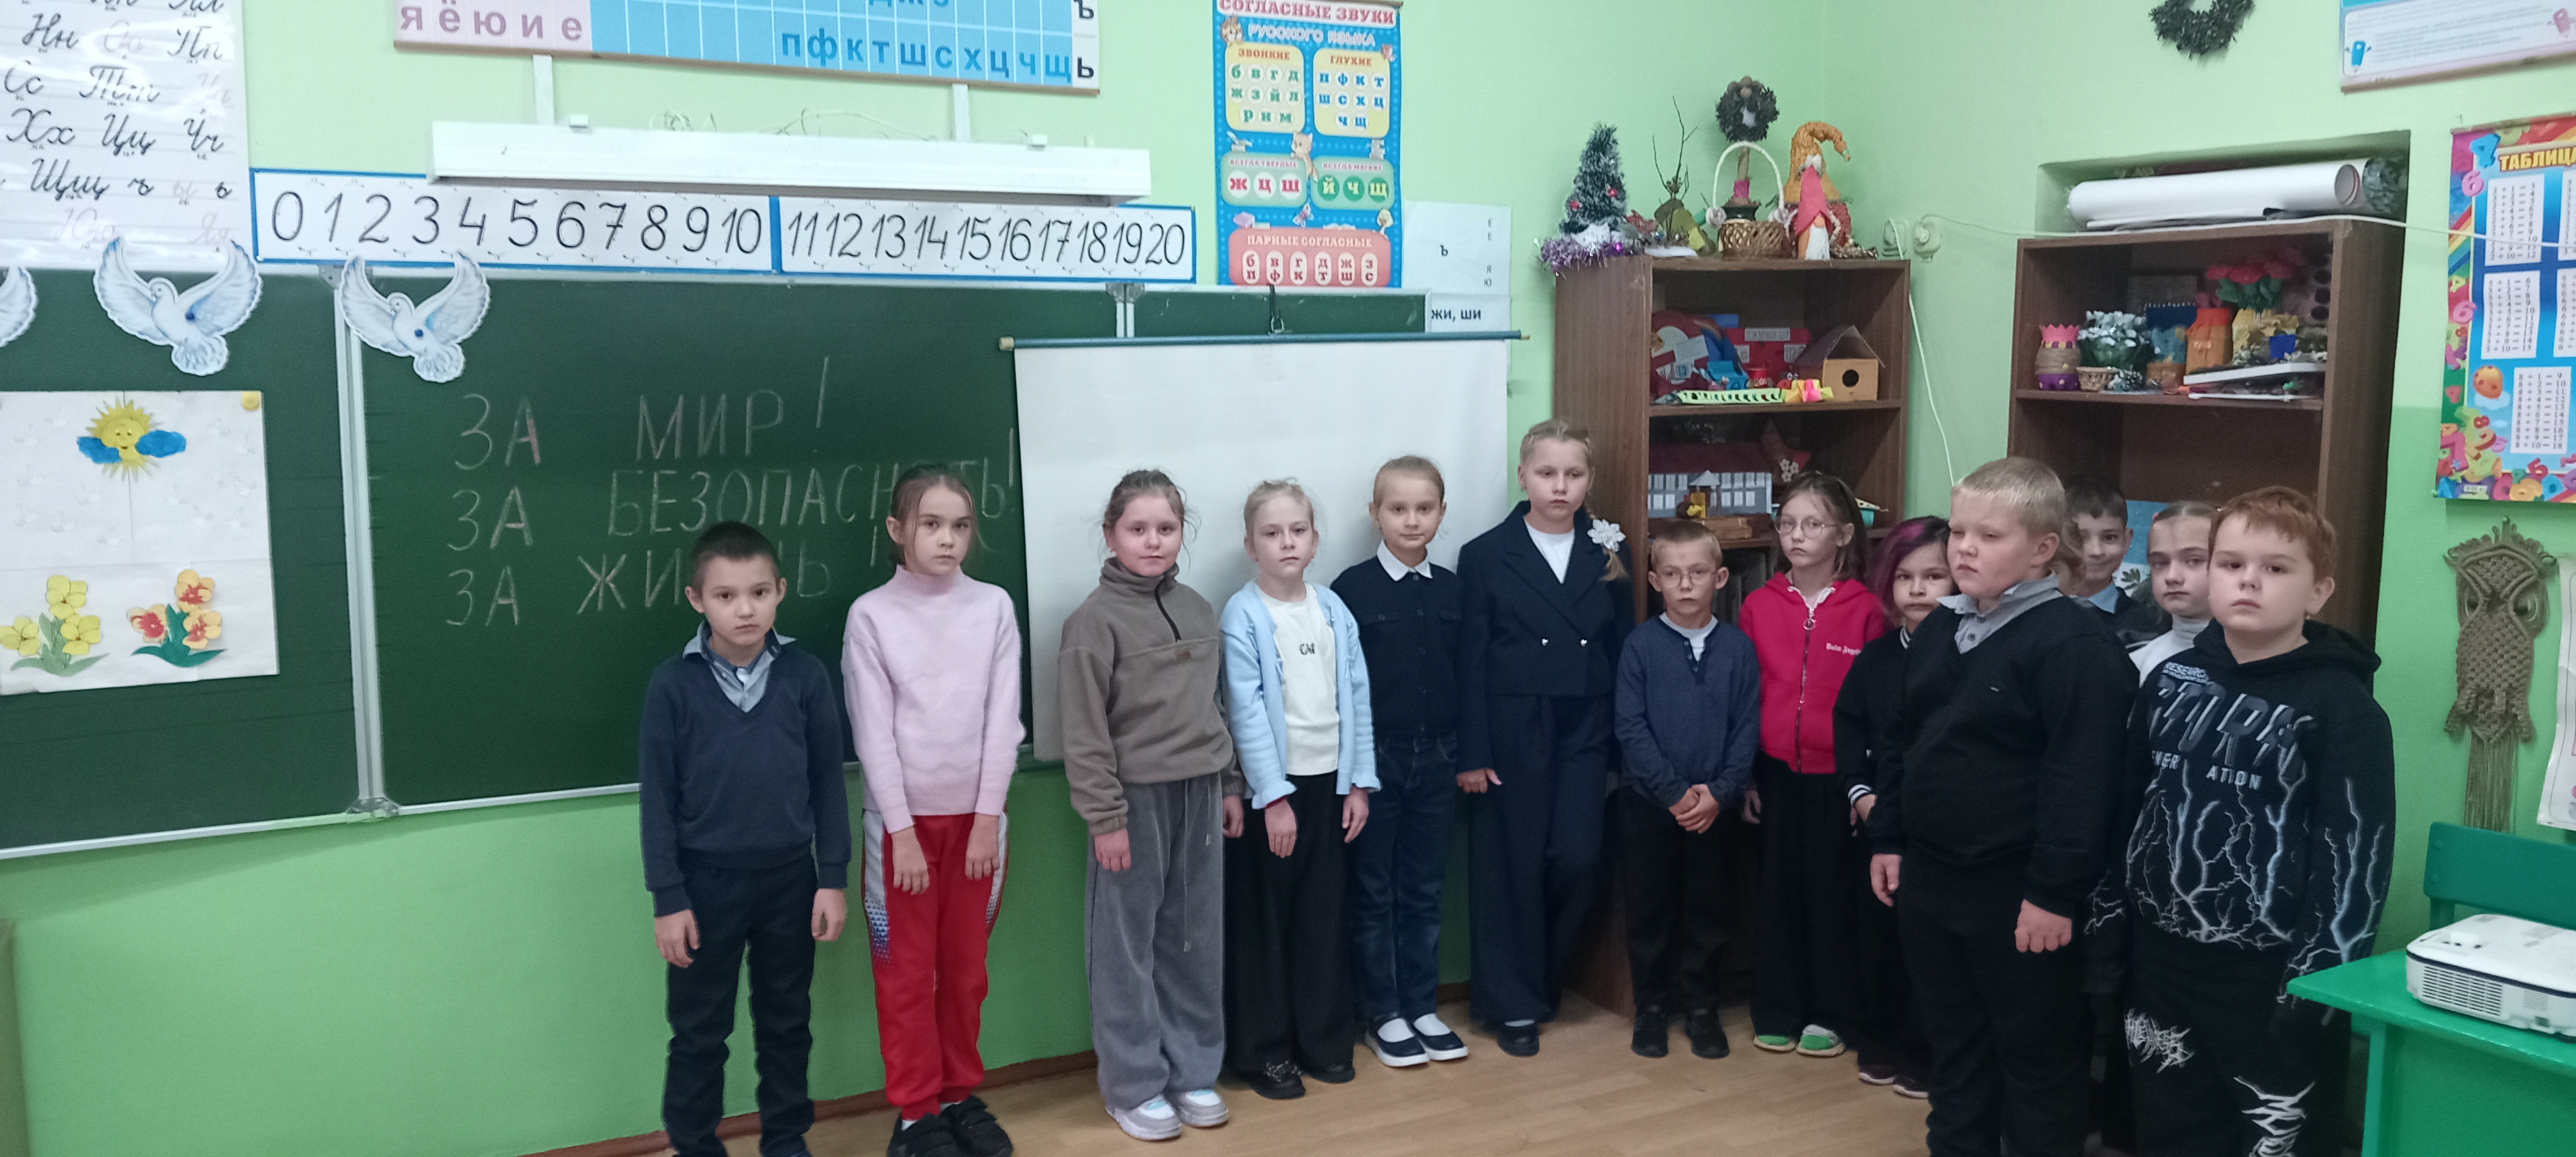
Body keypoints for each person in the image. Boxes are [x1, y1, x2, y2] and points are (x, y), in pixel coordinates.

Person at [2105, 487, 2392, 1157]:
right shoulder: (2170, 681)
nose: (2248, 581)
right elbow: (2128, 808)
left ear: (2318, 591)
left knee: (2274, 1138)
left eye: (2275, 568)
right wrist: (2108, 926)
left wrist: (2316, 987)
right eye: (2231, 564)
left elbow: (2355, 862)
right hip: (2161, 959)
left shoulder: (2344, 710)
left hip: (2271, 975)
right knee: (2170, 1126)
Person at [1867, 458, 2133, 1157]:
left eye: (1989, 536)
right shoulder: (1939, 628)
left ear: (2043, 548)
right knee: (1954, 1046)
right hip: (1932, 879)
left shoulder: (2074, 646)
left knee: (2036, 1058)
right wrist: (1888, 837)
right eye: (1959, 532)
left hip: (2018, 893)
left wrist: (2052, 892)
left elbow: (2082, 781)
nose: (1964, 550)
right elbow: (1901, 741)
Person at [640, 521, 852, 1157]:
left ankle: (785, 1140)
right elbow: (658, 800)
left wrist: (831, 878)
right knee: (699, 1032)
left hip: (790, 880)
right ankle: (694, 1145)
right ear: (696, 599)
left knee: (787, 1023)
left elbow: (827, 783)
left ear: (780, 590)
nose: (745, 609)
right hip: (704, 888)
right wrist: (668, 897)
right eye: (726, 595)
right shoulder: (673, 685)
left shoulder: (805, 677)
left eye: (759, 593)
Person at [1058, 470, 1245, 1142]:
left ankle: (1192, 1070)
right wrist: (1105, 818)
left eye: (1166, 528)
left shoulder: (1197, 609)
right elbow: (1084, 732)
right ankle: (1133, 1084)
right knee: (1125, 946)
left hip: (1201, 794)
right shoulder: (1092, 622)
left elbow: (1215, 705)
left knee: (1195, 938)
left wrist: (1230, 783)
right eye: (1137, 528)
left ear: (1181, 533)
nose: (1153, 540)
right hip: (1133, 802)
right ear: (1111, 534)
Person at [843, 466, 1022, 1157]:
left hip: (979, 829)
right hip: (903, 833)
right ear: (898, 530)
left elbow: (1003, 721)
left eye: (961, 526)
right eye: (931, 525)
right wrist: (902, 832)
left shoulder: (994, 607)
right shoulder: (871, 616)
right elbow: (873, 735)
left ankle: (956, 1096)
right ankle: (916, 1113)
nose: (948, 539)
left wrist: (987, 819)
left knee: (966, 972)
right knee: (907, 976)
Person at [1455, 418, 1635, 1057]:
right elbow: (1471, 659)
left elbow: (1622, 645)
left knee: (1578, 857)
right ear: (1523, 476)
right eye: (1547, 473)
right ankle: (1513, 1004)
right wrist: (1473, 751)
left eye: (1573, 474)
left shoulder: (1609, 547)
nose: (1560, 486)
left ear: (1589, 479)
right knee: (1513, 864)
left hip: (1586, 724)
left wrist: (1623, 744)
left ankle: (1547, 977)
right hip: (1513, 725)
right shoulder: (1485, 554)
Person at [1218, 480, 1377, 1098]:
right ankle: (1264, 1052)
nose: (1287, 542)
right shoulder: (1244, 614)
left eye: (1298, 530)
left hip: (1329, 787)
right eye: (1272, 532)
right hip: (1273, 798)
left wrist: (1358, 783)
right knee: (1264, 922)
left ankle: (1323, 1039)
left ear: (1314, 539)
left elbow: (1356, 696)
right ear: (1250, 545)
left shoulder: (1333, 608)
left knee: (1322, 914)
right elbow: (1246, 711)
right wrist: (1273, 797)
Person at [1333, 457, 1472, 1068]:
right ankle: (1382, 1012)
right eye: (1398, 508)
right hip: (1375, 762)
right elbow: (1340, 689)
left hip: (1438, 758)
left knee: (1423, 889)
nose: (1411, 520)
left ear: (1441, 513)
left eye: (1424, 508)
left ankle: (1420, 1005)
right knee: (1373, 890)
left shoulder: (1453, 590)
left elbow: (1468, 675)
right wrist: (1353, 773)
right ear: (1375, 514)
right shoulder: (1350, 590)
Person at [1740, 472, 1885, 1058]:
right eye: (1788, 524)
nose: (1797, 536)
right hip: (1775, 773)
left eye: (1812, 525)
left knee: (1832, 896)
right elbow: (1746, 696)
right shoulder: (1759, 604)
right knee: (1777, 894)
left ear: (1844, 534)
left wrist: (1861, 785)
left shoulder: (1866, 610)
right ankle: (1778, 1007)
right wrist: (1747, 775)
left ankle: (1830, 1012)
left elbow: (1875, 708)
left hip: (1837, 779)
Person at [1612, 519, 1759, 1061]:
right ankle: (1651, 1008)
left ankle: (1702, 1008)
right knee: (1649, 910)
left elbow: (1747, 729)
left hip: (1715, 808)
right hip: (1649, 806)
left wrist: (1721, 792)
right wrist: (1674, 794)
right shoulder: (1640, 646)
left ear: (1720, 578)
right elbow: (1630, 728)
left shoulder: (1738, 649)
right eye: (1672, 574)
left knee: (1709, 910)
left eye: (1698, 572)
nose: (1686, 584)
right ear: (1655, 582)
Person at [1836, 515, 1950, 1100]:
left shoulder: (1963, 655)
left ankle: (1922, 1051)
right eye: (1906, 577)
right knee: (1877, 940)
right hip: (1877, 821)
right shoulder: (1876, 658)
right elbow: (1850, 728)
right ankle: (1877, 1040)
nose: (1919, 589)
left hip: (1935, 829)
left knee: (1926, 949)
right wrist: (1860, 795)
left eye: (1934, 576)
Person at [2128, 502, 2215, 680]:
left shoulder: (2259, 661)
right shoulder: (2136, 663)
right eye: (2160, 563)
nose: (2172, 576)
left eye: (2193, 561)